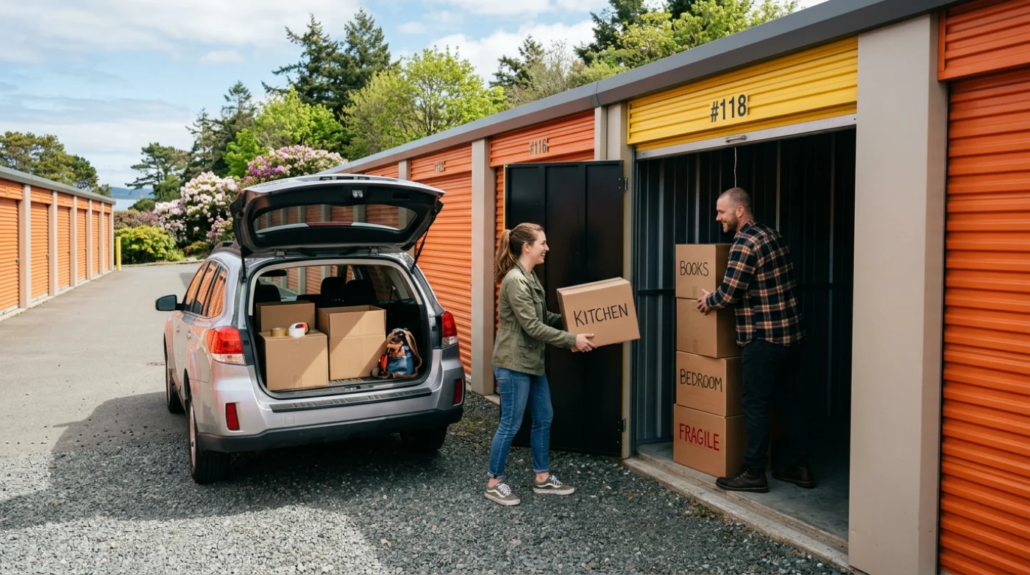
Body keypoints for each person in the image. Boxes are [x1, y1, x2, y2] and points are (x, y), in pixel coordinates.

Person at [696, 187, 813, 493]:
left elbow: (730, 292)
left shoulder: (744, 242)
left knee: (755, 403)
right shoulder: (771, 234)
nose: (717, 217)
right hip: (792, 336)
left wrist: (710, 300)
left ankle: (753, 471)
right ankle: (799, 466)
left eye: (721, 211)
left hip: (765, 339)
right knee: (788, 400)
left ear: (739, 211)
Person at [485, 223, 597, 506]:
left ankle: (542, 478)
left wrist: (576, 319)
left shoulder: (529, 277)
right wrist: (571, 338)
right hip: (513, 364)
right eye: (543, 243)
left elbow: (544, 316)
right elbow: (533, 326)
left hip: (531, 362)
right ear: (527, 247)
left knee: (544, 417)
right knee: (510, 424)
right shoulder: (515, 280)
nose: (547, 248)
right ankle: (494, 482)